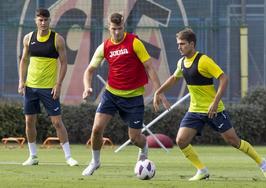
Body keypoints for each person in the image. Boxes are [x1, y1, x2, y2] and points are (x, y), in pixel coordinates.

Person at [153, 28, 266, 181]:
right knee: (181, 140)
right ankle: (202, 170)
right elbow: (174, 78)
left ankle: (263, 164)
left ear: (192, 44)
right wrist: (158, 91)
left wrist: (215, 102)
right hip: (194, 110)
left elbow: (223, 78)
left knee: (233, 141)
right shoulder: (181, 63)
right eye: (178, 44)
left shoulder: (204, 60)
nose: (179, 47)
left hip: (214, 110)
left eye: (182, 44)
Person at [82, 12, 169, 176]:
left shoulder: (135, 43)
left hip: (134, 98)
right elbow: (89, 71)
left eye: (120, 28)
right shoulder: (104, 47)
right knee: (96, 129)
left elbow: (150, 67)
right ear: (109, 27)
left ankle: (144, 147)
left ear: (124, 26)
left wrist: (160, 92)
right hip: (111, 95)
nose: (116, 32)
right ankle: (95, 161)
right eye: (114, 29)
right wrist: (87, 87)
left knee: (135, 137)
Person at [18, 8, 78, 166]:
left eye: (46, 20)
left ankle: (68, 157)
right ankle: (33, 156)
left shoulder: (57, 39)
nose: (43, 23)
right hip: (30, 87)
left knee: (57, 123)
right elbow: (24, 60)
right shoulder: (28, 38)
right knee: (29, 121)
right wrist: (21, 81)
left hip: (49, 89)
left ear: (50, 21)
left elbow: (64, 63)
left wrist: (58, 84)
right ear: (35, 21)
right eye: (40, 20)